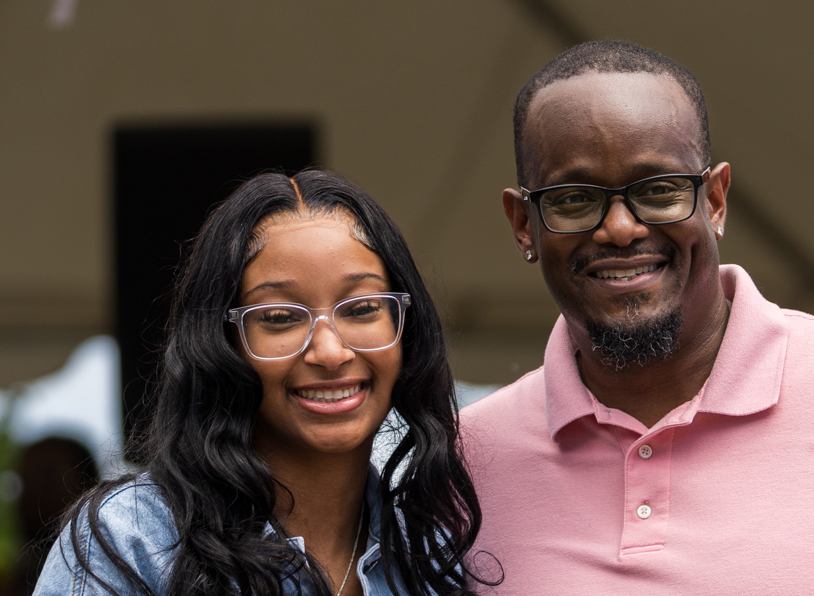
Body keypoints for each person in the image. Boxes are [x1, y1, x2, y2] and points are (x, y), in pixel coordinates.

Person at [460, 40, 814, 595]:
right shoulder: (465, 462)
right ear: (523, 224)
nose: (620, 229)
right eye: (574, 199)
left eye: (659, 190)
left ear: (715, 200)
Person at [34, 170, 488, 596]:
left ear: (407, 328)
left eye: (362, 308)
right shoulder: (134, 539)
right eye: (279, 316)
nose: (330, 352)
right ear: (222, 343)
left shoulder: (435, 555)